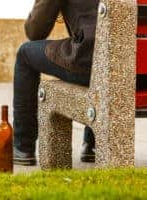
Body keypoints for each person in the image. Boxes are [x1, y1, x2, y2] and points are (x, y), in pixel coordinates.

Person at [12, 0, 99, 166]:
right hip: (136, 71)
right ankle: (93, 144)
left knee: (25, 53)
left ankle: (22, 146)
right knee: (101, 50)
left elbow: (35, 32)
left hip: (90, 66)